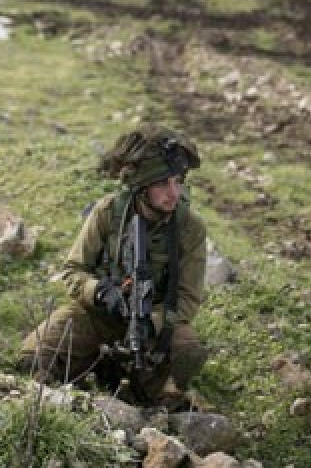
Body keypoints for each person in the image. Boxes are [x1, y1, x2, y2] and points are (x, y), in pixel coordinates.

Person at [19, 125, 209, 404]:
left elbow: (188, 299)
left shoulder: (190, 228)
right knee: (33, 358)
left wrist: (153, 323)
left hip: (155, 325)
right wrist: (99, 291)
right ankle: (95, 369)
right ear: (141, 187)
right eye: (162, 184)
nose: (173, 193)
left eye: (178, 181)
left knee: (186, 352)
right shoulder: (107, 213)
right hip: (99, 316)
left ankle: (143, 392)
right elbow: (73, 271)